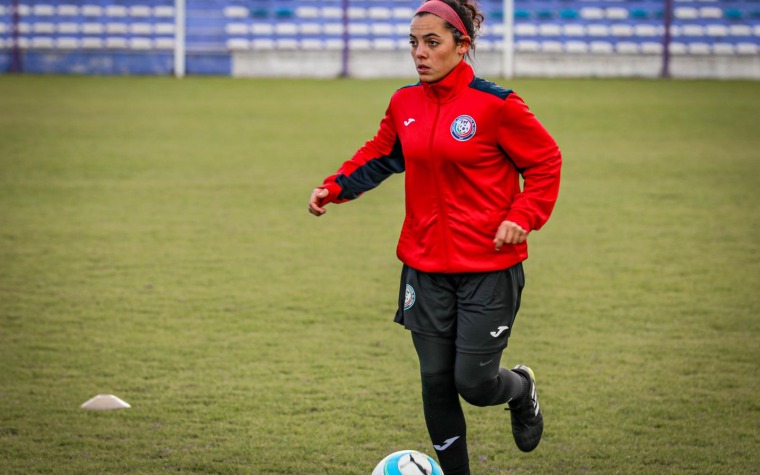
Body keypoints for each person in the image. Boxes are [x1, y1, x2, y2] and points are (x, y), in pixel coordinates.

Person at [308, 1, 562, 473]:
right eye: (413, 42)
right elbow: (381, 154)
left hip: (489, 267)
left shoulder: (498, 105)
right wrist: (336, 186)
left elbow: (546, 162)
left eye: (432, 42)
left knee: (474, 383)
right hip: (423, 268)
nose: (419, 53)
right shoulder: (404, 102)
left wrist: (524, 215)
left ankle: (521, 388)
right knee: (435, 381)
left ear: (461, 46)